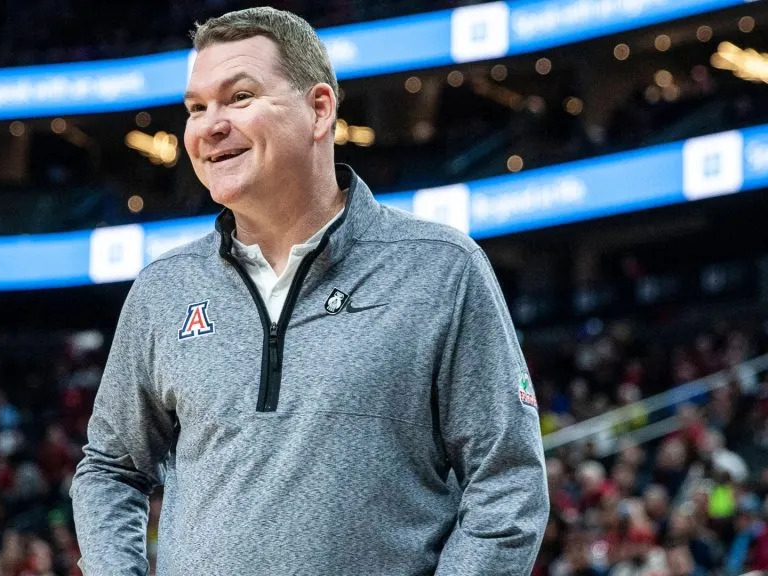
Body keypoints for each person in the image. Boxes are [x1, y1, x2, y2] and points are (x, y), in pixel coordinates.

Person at [71, 6, 549, 575]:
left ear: (319, 109)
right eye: (197, 108)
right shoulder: (164, 289)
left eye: (239, 97)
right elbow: (110, 468)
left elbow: (508, 483)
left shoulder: (442, 269)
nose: (209, 125)